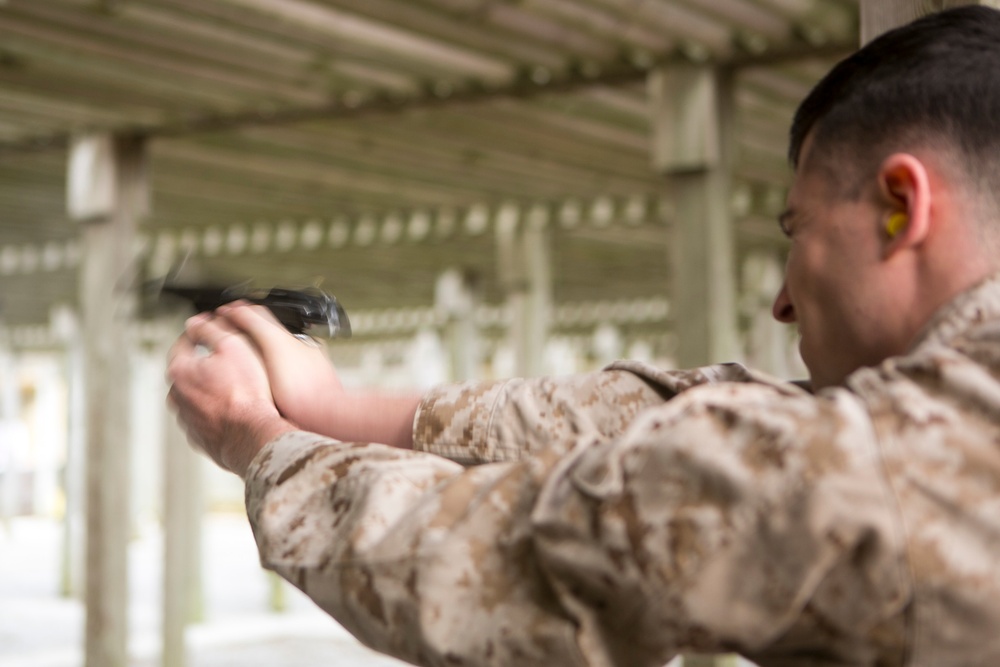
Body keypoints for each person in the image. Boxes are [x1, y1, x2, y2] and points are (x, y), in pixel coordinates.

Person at [167, 6, 1000, 666]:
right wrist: (337, 407)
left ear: (902, 207)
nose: (782, 301)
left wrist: (256, 436)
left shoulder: (895, 466)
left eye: (800, 229)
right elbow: (686, 418)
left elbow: (498, 565)